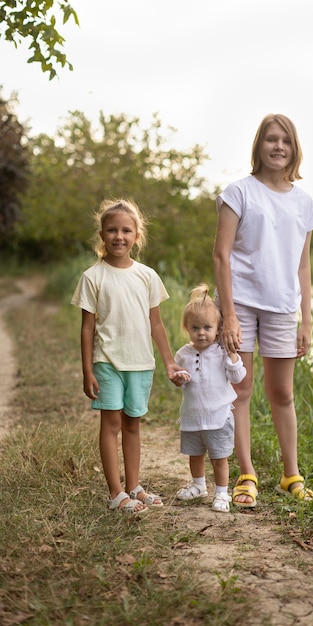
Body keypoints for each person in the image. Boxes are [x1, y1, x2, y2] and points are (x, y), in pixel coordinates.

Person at [212, 113, 313, 508]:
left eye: (285, 141)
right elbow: (221, 256)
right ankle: (247, 474)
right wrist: (231, 316)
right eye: (271, 139)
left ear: (294, 149)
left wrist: (307, 319)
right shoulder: (238, 192)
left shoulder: (305, 203)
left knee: (283, 393)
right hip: (240, 303)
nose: (278, 146)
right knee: (240, 391)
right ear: (259, 146)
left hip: (282, 308)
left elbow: (303, 264)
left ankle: (291, 475)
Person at [72, 198, 184, 516]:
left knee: (133, 424)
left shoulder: (147, 276)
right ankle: (115, 493)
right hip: (107, 361)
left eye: (126, 230)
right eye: (111, 230)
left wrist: (168, 361)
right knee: (111, 425)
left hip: (140, 362)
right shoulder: (93, 277)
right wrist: (86, 371)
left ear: (137, 235)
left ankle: (134, 486)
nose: (118, 236)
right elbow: (87, 329)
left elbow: (156, 324)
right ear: (102, 234)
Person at [172, 284, 246, 513]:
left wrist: (233, 356)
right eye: (195, 328)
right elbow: (180, 380)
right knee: (195, 454)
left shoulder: (222, 351)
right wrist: (179, 378)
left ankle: (222, 492)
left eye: (207, 327)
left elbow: (238, 376)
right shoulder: (183, 354)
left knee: (219, 457)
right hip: (193, 416)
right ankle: (198, 485)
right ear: (187, 329)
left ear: (218, 328)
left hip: (218, 416)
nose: (201, 333)